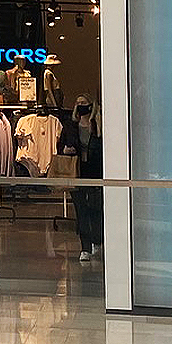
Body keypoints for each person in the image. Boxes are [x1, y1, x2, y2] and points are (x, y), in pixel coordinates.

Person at [68, 97, 102, 262]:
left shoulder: (97, 126)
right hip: (76, 172)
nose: (80, 105)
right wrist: (66, 149)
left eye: (83, 103)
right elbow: (61, 144)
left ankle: (97, 239)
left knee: (95, 209)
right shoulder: (71, 127)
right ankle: (85, 248)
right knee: (81, 211)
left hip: (95, 172)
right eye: (77, 103)